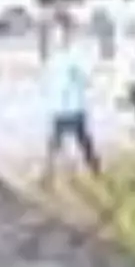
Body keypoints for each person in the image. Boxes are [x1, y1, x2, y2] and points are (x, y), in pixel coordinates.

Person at [42, 30, 101, 184]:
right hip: (70, 105)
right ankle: (92, 167)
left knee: (60, 139)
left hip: (66, 105)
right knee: (79, 138)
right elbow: (86, 77)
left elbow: (82, 77)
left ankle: (49, 172)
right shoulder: (68, 57)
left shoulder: (62, 58)